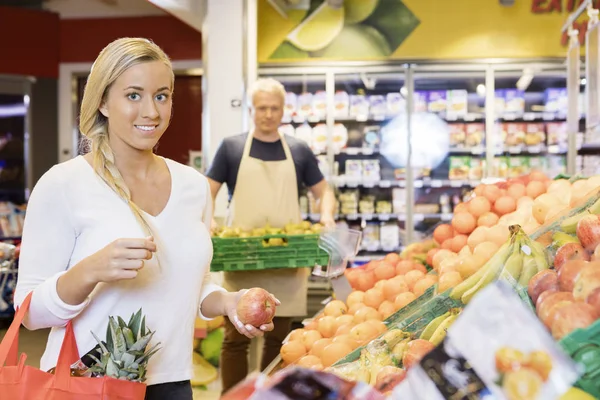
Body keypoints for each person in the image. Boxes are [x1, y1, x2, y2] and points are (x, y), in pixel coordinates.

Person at [13, 38, 277, 400]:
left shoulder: (194, 186)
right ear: (103, 102)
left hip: (173, 382)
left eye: (162, 95)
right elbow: (29, 313)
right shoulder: (63, 183)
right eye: (133, 95)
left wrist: (229, 302)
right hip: (87, 383)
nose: (151, 111)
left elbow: (191, 285)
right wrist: (90, 270)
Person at [206, 77, 337, 393]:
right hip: (242, 257)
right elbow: (206, 191)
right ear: (252, 110)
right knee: (236, 337)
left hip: (287, 260)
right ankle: (233, 398)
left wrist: (327, 215)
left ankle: (269, 396)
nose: (267, 114)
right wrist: (207, 220)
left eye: (274, 108)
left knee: (281, 338)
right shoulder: (232, 147)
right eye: (261, 108)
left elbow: (324, 191)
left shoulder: (299, 150)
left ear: (283, 110)